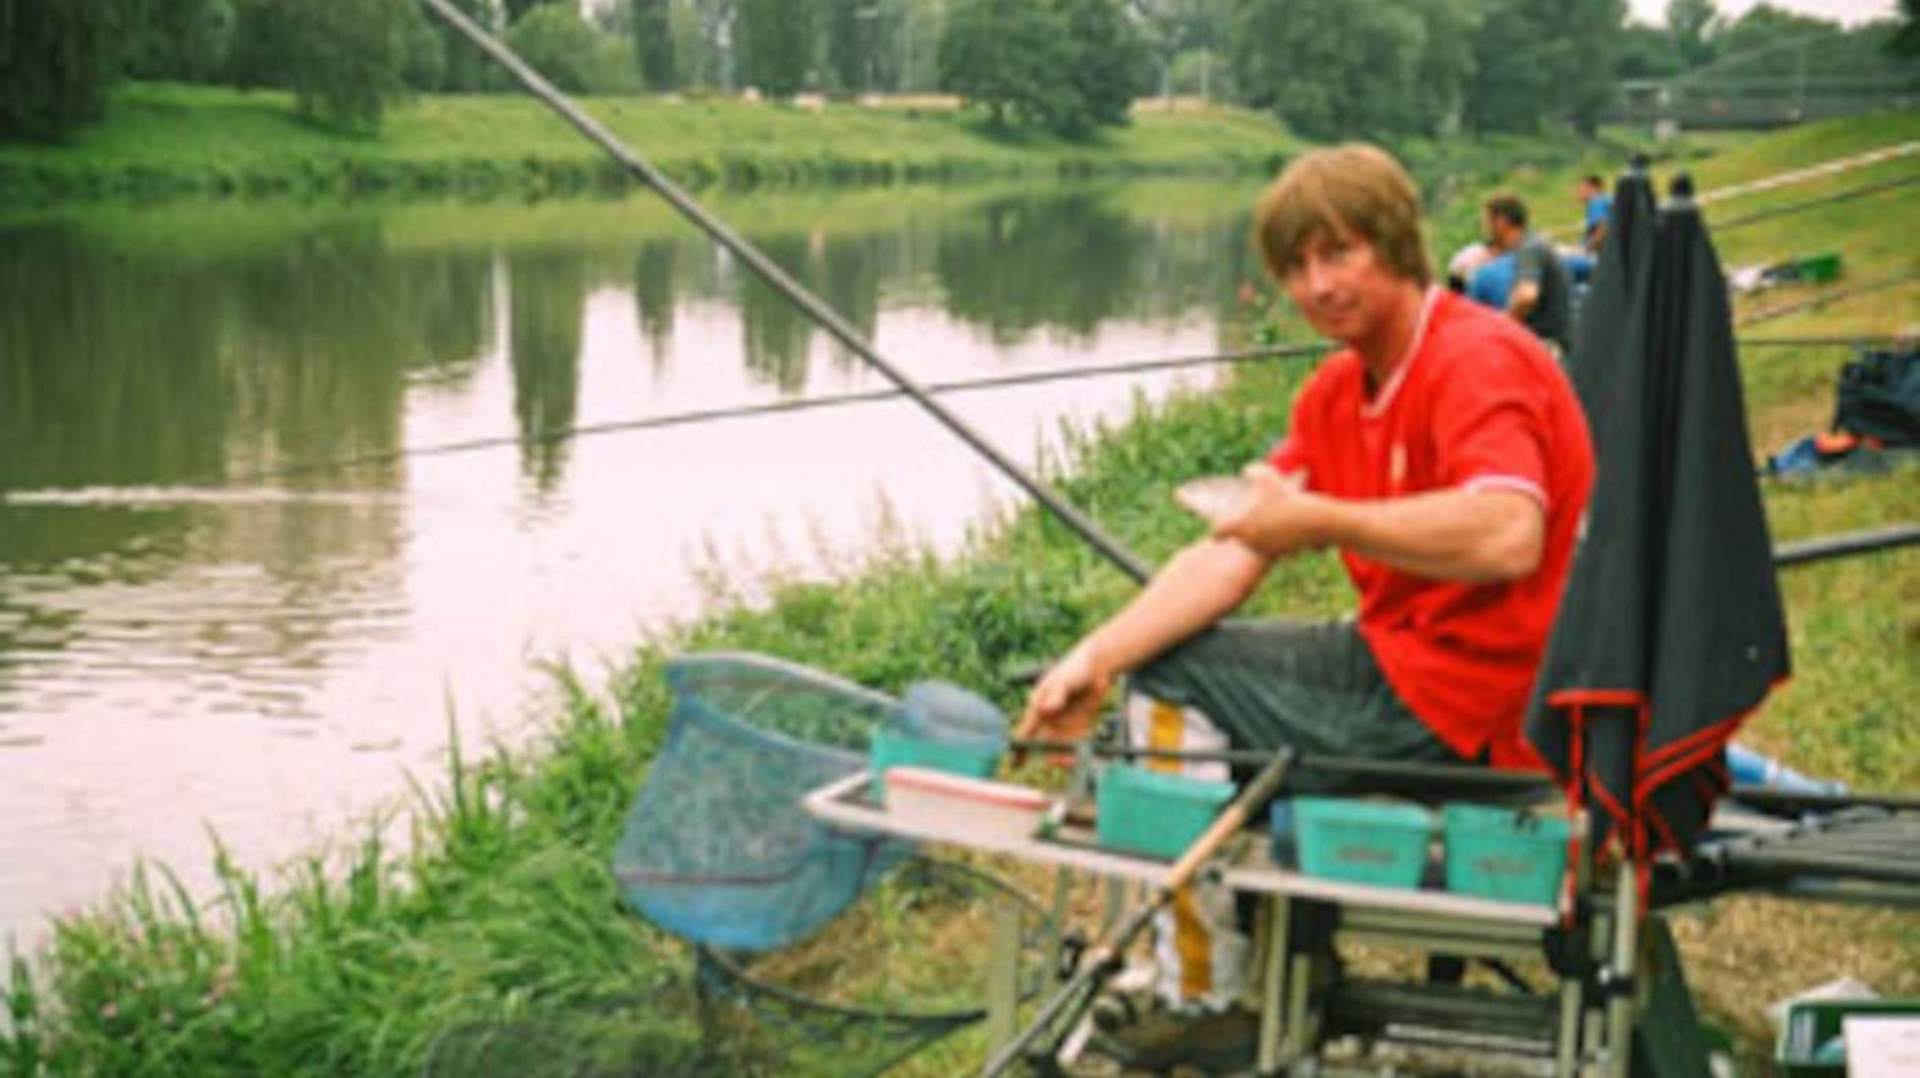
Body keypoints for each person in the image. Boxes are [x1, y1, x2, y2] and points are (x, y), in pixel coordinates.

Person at [1017, 144, 1596, 1067]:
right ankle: (1297, 963)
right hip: (1414, 670)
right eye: (1296, 267)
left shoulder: (1476, 359)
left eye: (1340, 254)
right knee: (1170, 666)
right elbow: (1238, 547)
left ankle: (1205, 994)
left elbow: (1507, 535)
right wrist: (1090, 658)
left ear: (1396, 246)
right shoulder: (1336, 386)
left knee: (1176, 684)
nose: (1317, 285)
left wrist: (1322, 519)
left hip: (1489, 699)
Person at [1482, 192, 1574, 356]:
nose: (1485, 228)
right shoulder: (1536, 244)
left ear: (1502, 222)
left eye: (1488, 221)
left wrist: (1498, 326)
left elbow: (1526, 296)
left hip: (1549, 348)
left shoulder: (1529, 249)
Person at [1576, 173, 1613, 253]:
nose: (1578, 193)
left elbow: (1603, 227)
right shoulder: (1606, 199)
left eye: (1581, 189)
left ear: (1592, 188)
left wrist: (1586, 248)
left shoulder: (1597, 202)